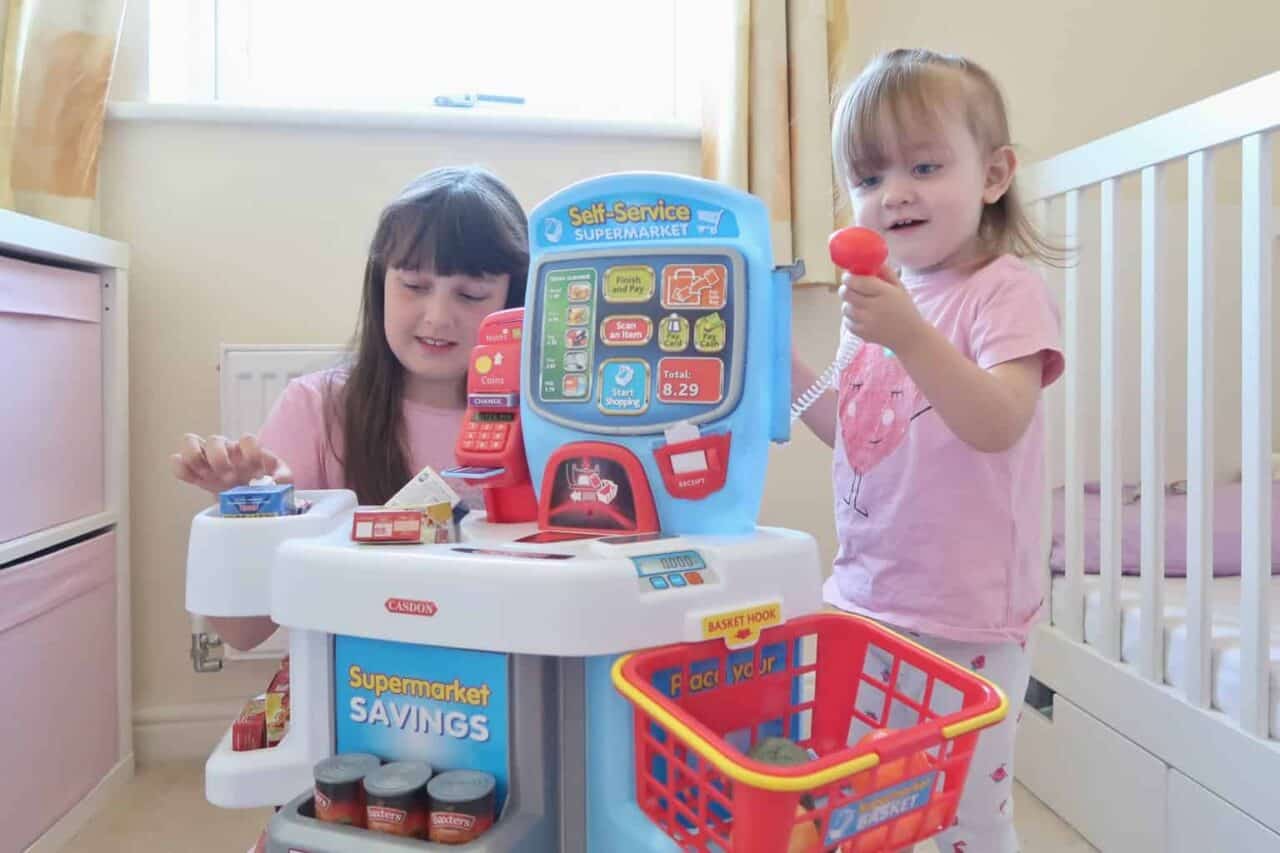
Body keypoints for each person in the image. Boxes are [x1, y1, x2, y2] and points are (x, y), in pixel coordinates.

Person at [792, 48, 1065, 852]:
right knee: (860, 797)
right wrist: (786, 367)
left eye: (924, 164)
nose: (894, 193)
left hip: (965, 614)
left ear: (993, 175)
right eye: (869, 178)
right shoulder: (887, 300)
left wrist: (908, 334)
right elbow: (858, 432)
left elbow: (996, 421)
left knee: (962, 819)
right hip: (864, 595)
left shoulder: (1003, 289)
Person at [172, 165, 528, 652]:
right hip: (355, 693)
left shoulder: (548, 421)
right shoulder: (317, 408)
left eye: (470, 295)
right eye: (414, 286)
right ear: (380, 283)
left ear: (515, 300)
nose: (438, 316)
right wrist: (246, 513)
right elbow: (242, 633)